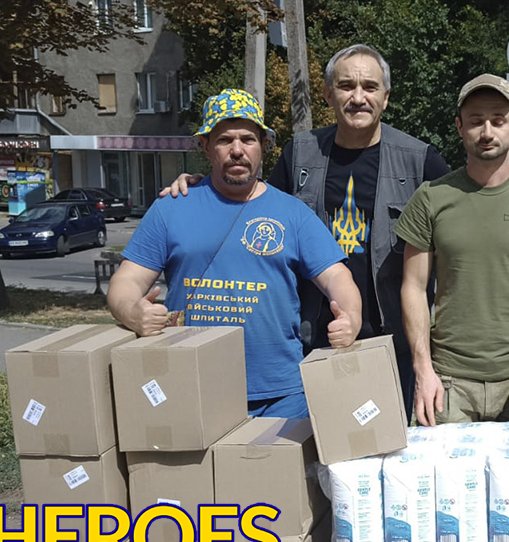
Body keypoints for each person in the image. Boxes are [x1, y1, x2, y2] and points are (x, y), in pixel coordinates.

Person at [162, 45, 450, 410]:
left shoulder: (420, 160)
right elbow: (252, 203)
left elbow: (458, 225)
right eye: (346, 86)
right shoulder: (300, 152)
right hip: (311, 336)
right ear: (328, 93)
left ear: (386, 97)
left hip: (391, 339)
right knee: (313, 439)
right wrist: (200, 187)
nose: (358, 97)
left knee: (386, 438)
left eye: (369, 87)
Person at [109, 88, 362, 419]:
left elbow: (337, 277)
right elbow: (126, 281)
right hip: (189, 387)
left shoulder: (293, 213)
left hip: (281, 395)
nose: (238, 150)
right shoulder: (171, 208)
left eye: (248, 139)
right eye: (225, 140)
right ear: (206, 146)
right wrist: (132, 312)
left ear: (264, 145)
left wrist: (351, 317)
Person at [396, 74, 509, 427]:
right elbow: (413, 287)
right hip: (448, 383)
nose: (487, 131)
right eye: (476, 121)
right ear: (460, 127)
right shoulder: (431, 197)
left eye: (498, 120)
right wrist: (423, 369)